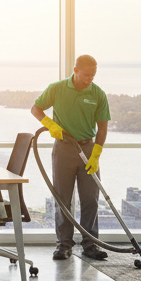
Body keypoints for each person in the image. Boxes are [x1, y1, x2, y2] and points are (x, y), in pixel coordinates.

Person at [31, 54, 110, 261]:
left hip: (87, 149)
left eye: (93, 75)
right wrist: (51, 125)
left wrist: (96, 154)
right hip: (64, 149)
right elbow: (36, 109)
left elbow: (102, 128)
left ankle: (90, 245)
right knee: (63, 199)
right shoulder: (57, 88)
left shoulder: (97, 94)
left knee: (90, 199)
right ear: (75, 70)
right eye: (86, 75)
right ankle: (63, 245)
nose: (89, 79)